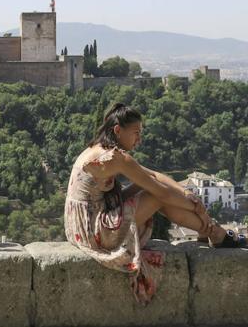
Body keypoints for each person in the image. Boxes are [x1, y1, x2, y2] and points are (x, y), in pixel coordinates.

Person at [64, 102, 246, 305]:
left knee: (151, 187)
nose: (139, 139)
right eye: (135, 133)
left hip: (83, 224)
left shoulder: (100, 149)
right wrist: (200, 209)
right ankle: (214, 232)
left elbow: (153, 175)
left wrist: (186, 192)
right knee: (156, 195)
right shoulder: (115, 158)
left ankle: (210, 232)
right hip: (95, 230)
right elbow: (162, 194)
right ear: (117, 130)